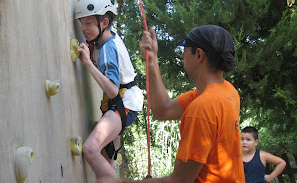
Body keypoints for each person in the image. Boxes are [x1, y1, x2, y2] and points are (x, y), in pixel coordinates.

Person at [96, 25, 245, 183]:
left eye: (185, 50)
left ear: (199, 55)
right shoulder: (227, 92)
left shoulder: (203, 108)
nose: (182, 56)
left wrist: (122, 182)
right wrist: (152, 60)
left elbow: (179, 180)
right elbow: (163, 110)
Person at [75, 0, 144, 179]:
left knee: (90, 149)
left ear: (103, 23)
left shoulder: (108, 48)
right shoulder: (108, 33)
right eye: (82, 23)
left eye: (88, 23)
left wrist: (88, 63)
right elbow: (104, 20)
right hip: (120, 103)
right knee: (106, 164)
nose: (83, 29)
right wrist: (93, 1)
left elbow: (113, 90)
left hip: (124, 103)